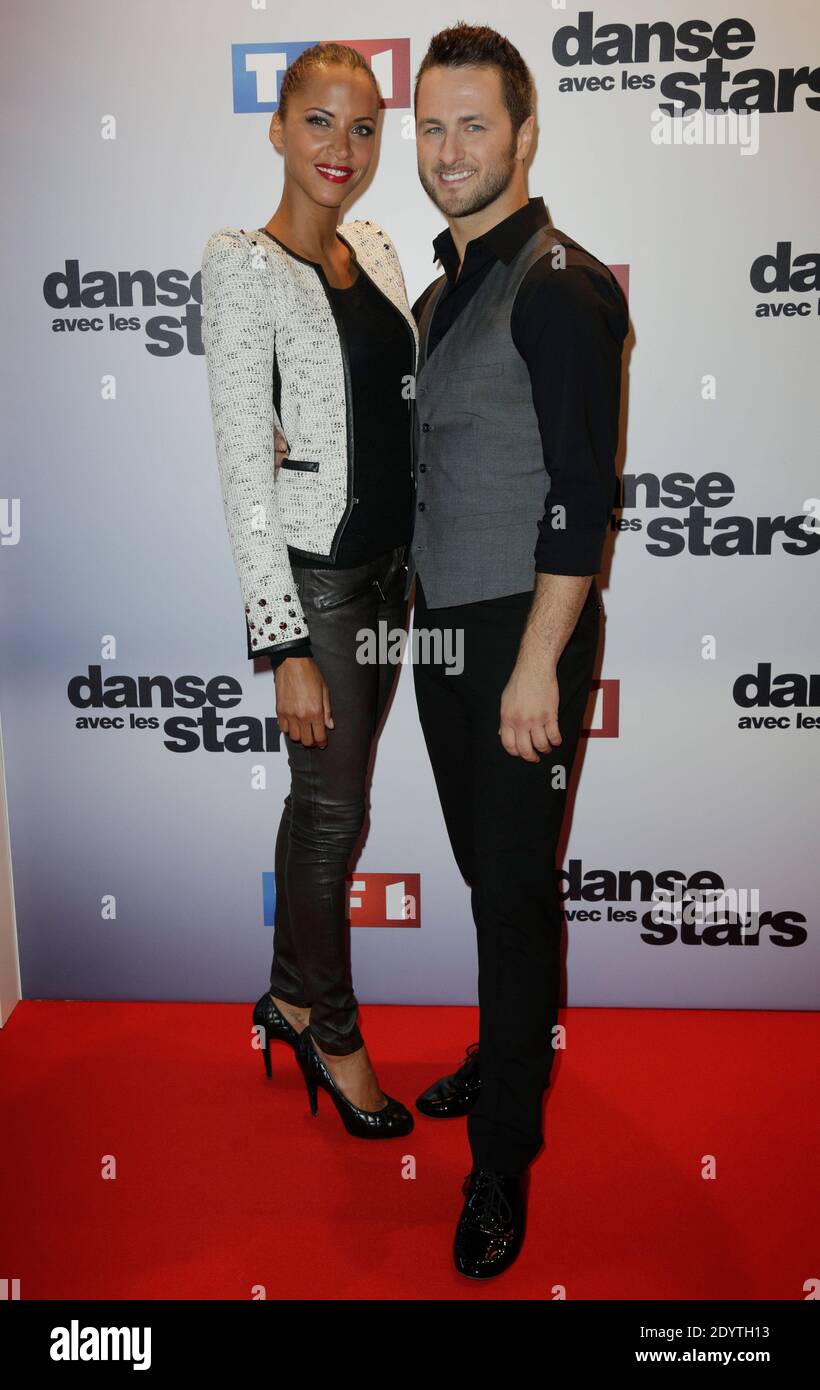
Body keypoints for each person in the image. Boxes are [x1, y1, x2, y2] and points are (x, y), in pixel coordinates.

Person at [406, 24, 629, 1275]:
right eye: (431, 126)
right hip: (444, 625)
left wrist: (540, 660)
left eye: (472, 125)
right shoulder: (446, 289)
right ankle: (502, 1050)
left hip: (519, 635)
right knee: (492, 877)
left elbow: (582, 490)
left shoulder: (558, 284)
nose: (447, 150)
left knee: (513, 899)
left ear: (525, 135)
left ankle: (503, 1162)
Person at [200, 42, 418, 1139]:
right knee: (334, 821)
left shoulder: (374, 248)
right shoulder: (242, 264)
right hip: (323, 593)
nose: (343, 147)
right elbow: (245, 469)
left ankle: (286, 992)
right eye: (320, 122)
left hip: (395, 584)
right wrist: (282, 641)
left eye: (365, 126)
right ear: (278, 129)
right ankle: (333, 1033)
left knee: (319, 808)